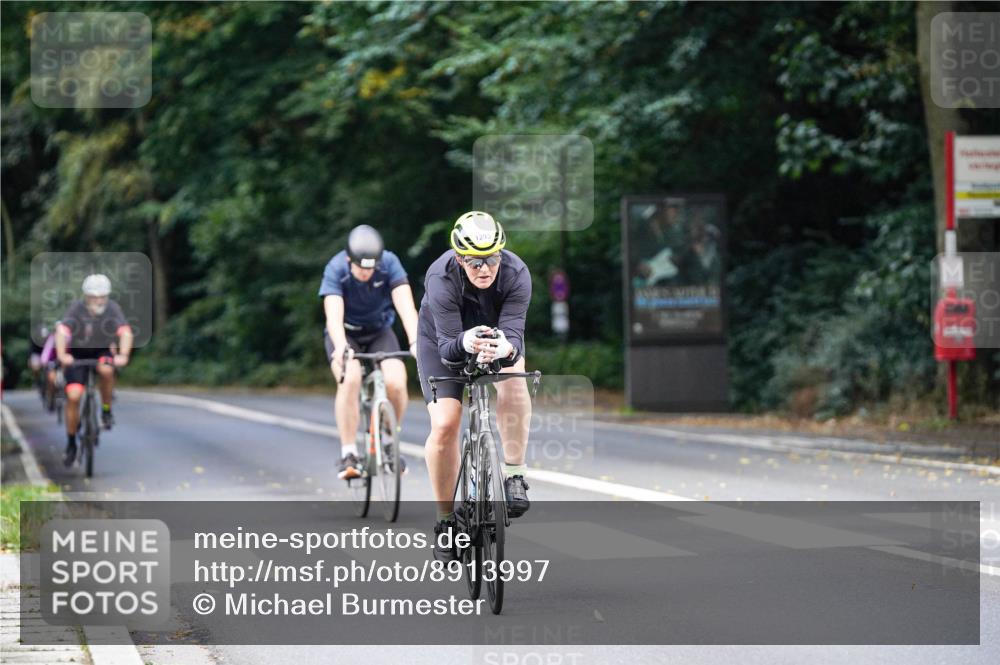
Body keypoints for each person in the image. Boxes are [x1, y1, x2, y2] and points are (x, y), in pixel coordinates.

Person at [415, 211, 533, 562]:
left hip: (497, 336)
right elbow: (448, 347)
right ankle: (446, 519)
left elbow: (514, 333)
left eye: (492, 259)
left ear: (502, 254)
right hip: (443, 341)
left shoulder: (517, 274)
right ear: (458, 258)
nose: (484, 268)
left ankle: (514, 475)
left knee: (514, 381)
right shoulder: (441, 277)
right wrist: (466, 340)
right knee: (446, 423)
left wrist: (506, 348)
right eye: (474, 261)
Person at [319, 225, 419, 481]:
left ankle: (388, 438)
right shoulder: (336, 268)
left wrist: (416, 340)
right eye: (360, 267)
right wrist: (341, 347)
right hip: (345, 332)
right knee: (350, 377)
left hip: (378, 332)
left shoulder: (390, 263)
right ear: (349, 260)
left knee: (396, 381)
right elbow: (333, 314)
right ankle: (349, 452)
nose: (366, 272)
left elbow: (405, 305)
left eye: (370, 267)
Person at [56, 274, 133, 466]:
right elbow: (62, 332)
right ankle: (71, 443)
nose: (98, 300)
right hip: (78, 354)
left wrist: (123, 354)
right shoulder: (76, 309)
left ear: (107, 296)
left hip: (102, 350)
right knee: (73, 396)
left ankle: (106, 410)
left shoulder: (113, 309)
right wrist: (62, 355)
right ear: (86, 296)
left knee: (107, 370)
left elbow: (125, 332)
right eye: (93, 296)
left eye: (102, 296)